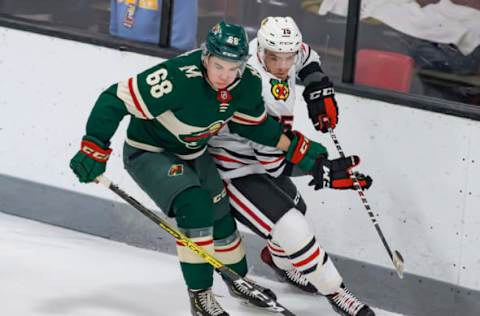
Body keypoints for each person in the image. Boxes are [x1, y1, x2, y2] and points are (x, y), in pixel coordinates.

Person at [69, 20, 340, 316]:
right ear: (205, 56)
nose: (225, 75)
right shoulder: (177, 78)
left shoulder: (246, 83)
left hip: (193, 151)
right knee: (195, 205)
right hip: (150, 152)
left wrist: (301, 151)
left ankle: (238, 281)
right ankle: (200, 296)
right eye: (218, 65)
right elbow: (114, 98)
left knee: (221, 213)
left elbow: (258, 128)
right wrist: (94, 147)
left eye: (233, 67)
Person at [208, 17, 375, 316]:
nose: (284, 66)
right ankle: (337, 293)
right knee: (293, 227)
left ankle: (280, 262)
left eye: (289, 57)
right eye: (276, 58)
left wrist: (317, 85)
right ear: (261, 53)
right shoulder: (254, 85)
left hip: (259, 157)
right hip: (229, 168)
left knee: (298, 208)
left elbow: (309, 56)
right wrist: (320, 169)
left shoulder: (275, 48)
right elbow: (273, 164)